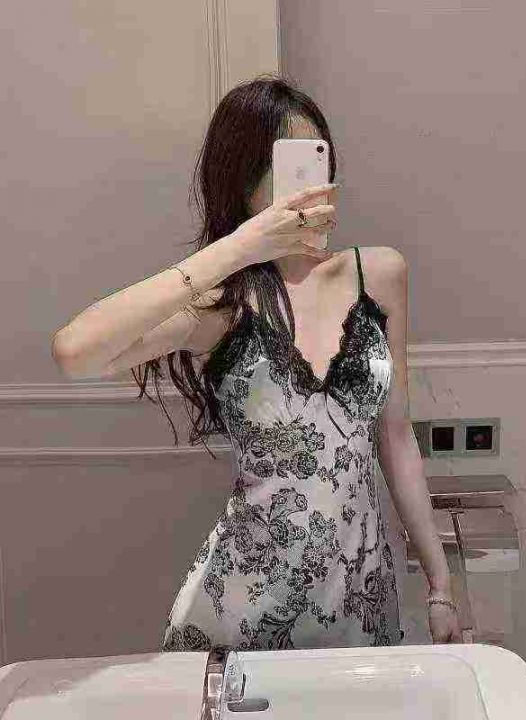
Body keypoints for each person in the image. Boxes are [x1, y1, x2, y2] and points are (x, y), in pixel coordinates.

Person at [52, 74, 461, 651]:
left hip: (360, 607)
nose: (310, 188)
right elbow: (75, 352)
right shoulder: (221, 309)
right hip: (244, 614)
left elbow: (396, 438)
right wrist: (240, 248)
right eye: (288, 169)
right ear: (244, 184)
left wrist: (441, 585)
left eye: (318, 161)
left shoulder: (379, 275)